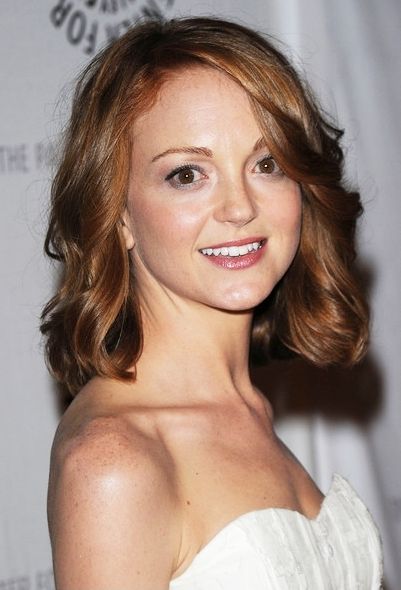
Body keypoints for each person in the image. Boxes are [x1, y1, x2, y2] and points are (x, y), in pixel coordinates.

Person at [41, 16, 383, 589]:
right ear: (118, 215)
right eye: (187, 174)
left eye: (267, 164)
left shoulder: (247, 410)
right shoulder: (113, 462)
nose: (239, 207)